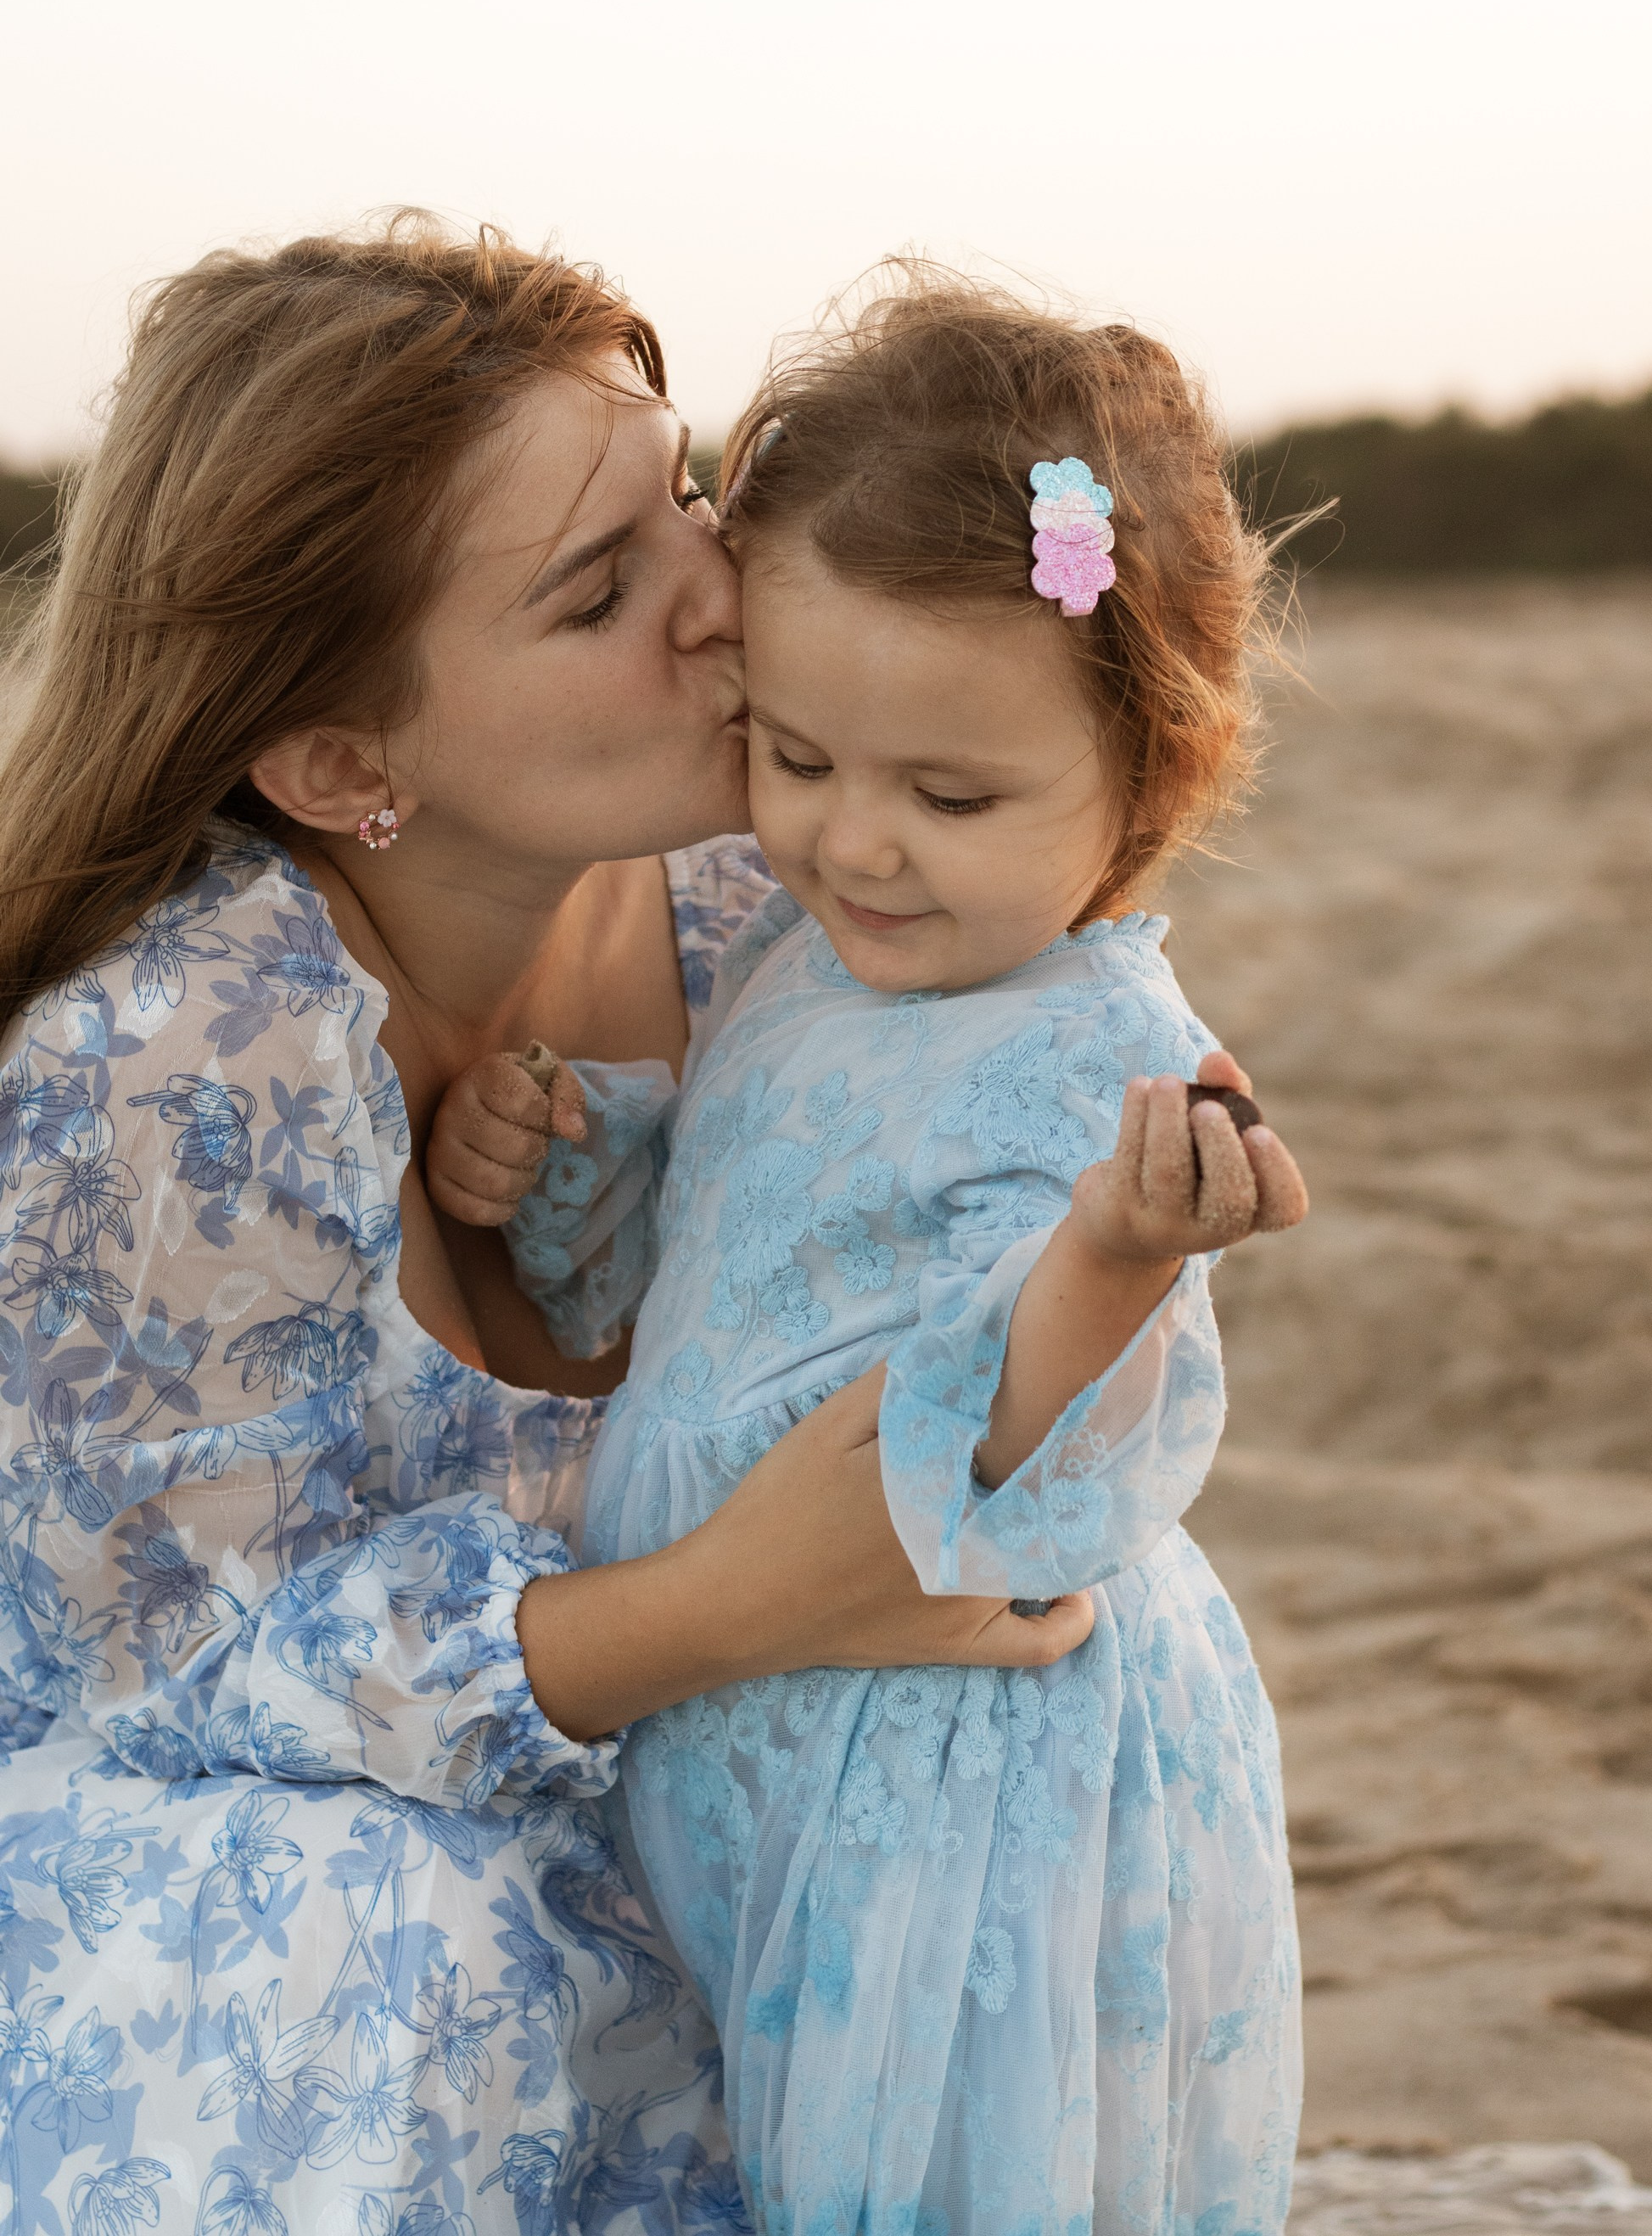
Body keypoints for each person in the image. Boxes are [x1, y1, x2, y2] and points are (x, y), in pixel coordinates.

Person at [0, 221, 1098, 2236]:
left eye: (686, 493)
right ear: (346, 764)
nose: (718, 592)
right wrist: (726, 1605)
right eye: (599, 591)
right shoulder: (171, 1064)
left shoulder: (771, 903)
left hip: (665, 1793)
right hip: (227, 1896)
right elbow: (170, 1693)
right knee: (387, 1926)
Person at [427, 276, 1308, 2233]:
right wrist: (568, 1163)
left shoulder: (1107, 1062)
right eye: (800, 759)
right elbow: (718, 1246)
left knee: (925, 2165)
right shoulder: (789, 955)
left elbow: (1047, 1442)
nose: (856, 847)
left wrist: (1116, 1255)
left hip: (951, 1765)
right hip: (763, 1717)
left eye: (952, 795)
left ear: (1145, 776)